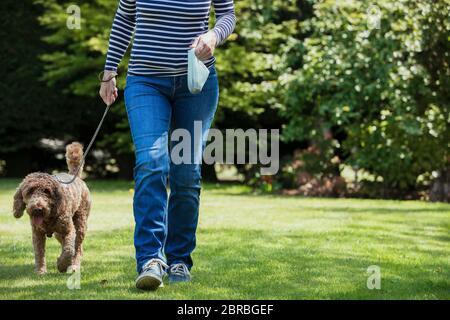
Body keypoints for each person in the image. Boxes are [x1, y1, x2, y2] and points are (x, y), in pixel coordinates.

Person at [99, 0, 236, 291]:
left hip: (196, 84)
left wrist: (213, 35)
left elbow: (228, 14)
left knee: (186, 173)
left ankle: (179, 261)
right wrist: (109, 72)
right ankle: (150, 260)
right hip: (146, 81)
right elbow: (125, 19)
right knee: (152, 162)